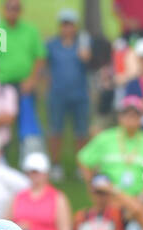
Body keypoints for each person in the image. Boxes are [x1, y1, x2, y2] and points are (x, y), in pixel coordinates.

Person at [75, 95, 143, 218]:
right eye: (127, 114)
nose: (131, 119)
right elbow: (84, 160)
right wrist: (92, 185)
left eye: (135, 115)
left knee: (141, 210)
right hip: (109, 200)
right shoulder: (105, 138)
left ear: (141, 118)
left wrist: (141, 199)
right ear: (120, 117)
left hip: (137, 200)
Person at [0, 0, 41, 152]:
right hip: (1, 86)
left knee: (27, 124)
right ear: (3, 9)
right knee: (0, 123)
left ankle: (27, 157)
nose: (12, 11)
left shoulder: (30, 31)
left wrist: (32, 79)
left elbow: (40, 57)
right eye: (9, 7)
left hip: (24, 84)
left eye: (16, 8)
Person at [43, 9, 90, 181]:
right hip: (57, 94)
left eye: (70, 24)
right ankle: (56, 164)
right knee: (55, 131)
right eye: (64, 24)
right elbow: (44, 65)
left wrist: (86, 56)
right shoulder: (52, 44)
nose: (67, 28)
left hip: (79, 95)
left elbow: (90, 65)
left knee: (81, 132)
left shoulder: (83, 44)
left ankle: (81, 165)